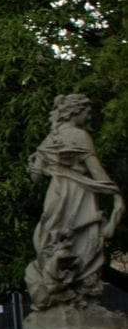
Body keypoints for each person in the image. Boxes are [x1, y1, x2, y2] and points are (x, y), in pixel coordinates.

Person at [27, 93, 121, 309]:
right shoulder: (80, 136)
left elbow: (36, 176)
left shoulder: (49, 140)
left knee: (54, 236)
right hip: (79, 193)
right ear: (75, 111)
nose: (88, 118)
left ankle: (61, 287)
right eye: (87, 113)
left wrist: (35, 163)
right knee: (83, 240)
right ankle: (79, 293)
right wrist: (114, 193)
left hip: (56, 193)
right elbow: (96, 172)